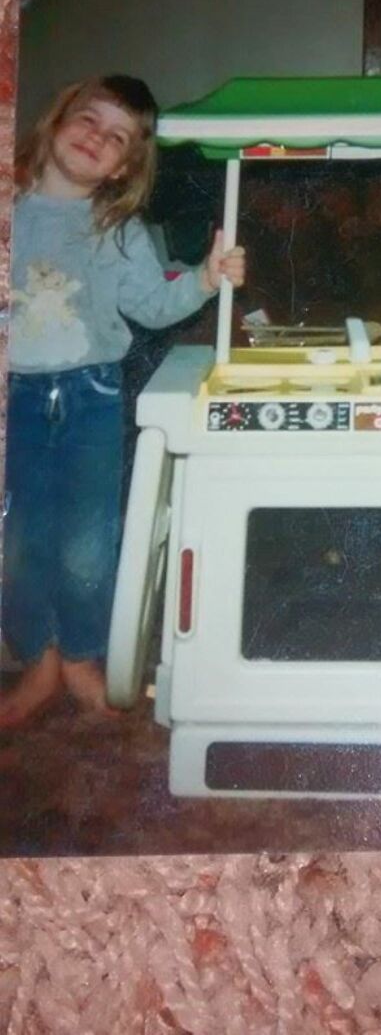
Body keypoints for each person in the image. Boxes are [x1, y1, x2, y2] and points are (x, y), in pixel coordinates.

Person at [0, 75, 245, 727]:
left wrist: (205, 278)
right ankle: (39, 660)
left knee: (87, 540)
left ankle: (81, 656)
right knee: (18, 541)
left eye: (116, 138)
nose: (96, 138)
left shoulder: (119, 229)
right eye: (88, 119)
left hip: (93, 396)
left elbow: (154, 305)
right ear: (56, 120)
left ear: (125, 166)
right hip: (14, 396)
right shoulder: (11, 207)